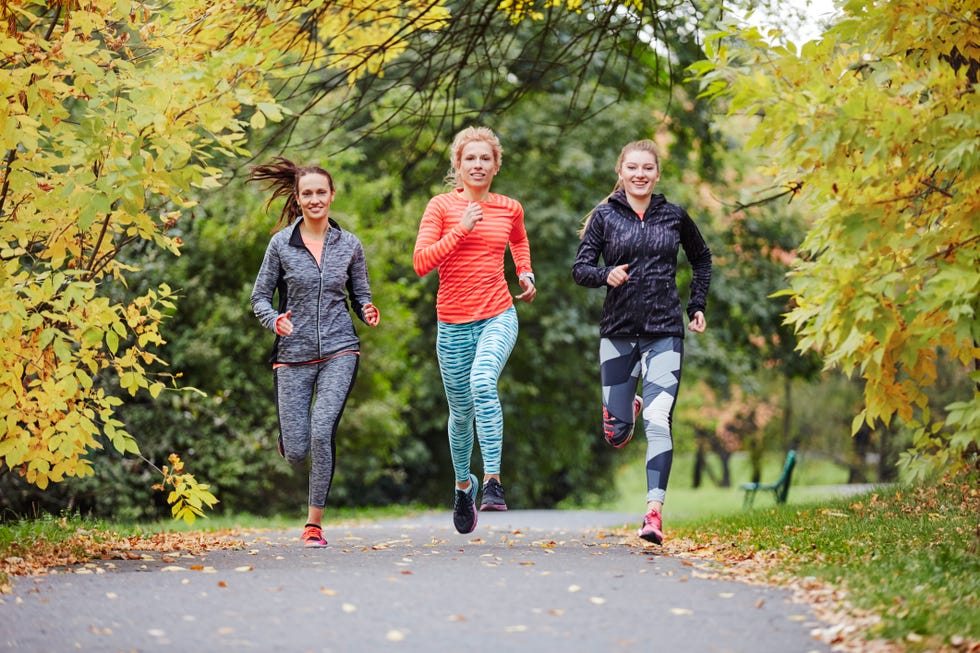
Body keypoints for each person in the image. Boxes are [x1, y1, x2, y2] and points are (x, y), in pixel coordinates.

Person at [572, 139, 711, 545]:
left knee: (659, 419)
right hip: (617, 333)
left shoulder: (674, 216)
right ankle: (626, 409)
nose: (639, 174)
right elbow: (580, 269)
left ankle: (653, 513)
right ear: (621, 171)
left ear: (657, 173)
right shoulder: (604, 217)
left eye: (647, 168)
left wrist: (696, 305)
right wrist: (605, 274)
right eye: (632, 168)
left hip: (664, 331)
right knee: (617, 434)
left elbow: (701, 258)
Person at [249, 157, 380, 548]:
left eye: (321, 192)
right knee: (297, 451)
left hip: (341, 349)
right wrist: (275, 321)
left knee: (323, 430)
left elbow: (361, 296)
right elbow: (259, 298)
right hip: (292, 355)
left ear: (332, 195)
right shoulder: (281, 245)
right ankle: (288, 441)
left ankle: (313, 524)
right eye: (308, 193)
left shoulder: (350, 244)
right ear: (298, 197)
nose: (315, 199)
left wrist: (367, 310)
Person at [413, 126, 536, 534]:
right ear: (458, 164)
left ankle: (493, 482)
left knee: (483, 382)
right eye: (471, 158)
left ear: (496, 165)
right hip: (452, 323)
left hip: (498, 313)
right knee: (461, 414)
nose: (478, 165)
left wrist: (525, 272)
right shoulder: (441, 207)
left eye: (486, 159)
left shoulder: (509, 208)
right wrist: (460, 228)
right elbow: (421, 262)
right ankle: (463, 485)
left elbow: (519, 241)